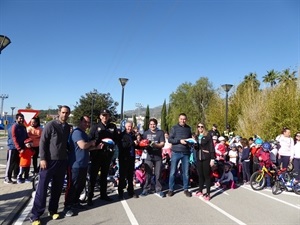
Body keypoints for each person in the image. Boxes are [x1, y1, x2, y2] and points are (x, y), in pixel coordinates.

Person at [30, 105, 71, 225]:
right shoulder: (50, 125)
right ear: (59, 112)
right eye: (63, 112)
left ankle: (53, 211)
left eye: (67, 113)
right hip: (48, 161)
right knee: (42, 189)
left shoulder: (67, 127)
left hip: (62, 161)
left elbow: (64, 144)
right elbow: (43, 142)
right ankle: (35, 215)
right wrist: (42, 158)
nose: (65, 115)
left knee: (57, 188)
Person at [64, 116, 97, 217]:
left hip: (83, 164)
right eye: (85, 122)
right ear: (80, 122)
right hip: (75, 165)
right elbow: (83, 145)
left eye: (88, 123)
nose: (87, 124)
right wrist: (91, 142)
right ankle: (67, 206)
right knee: (72, 186)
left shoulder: (84, 133)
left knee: (80, 185)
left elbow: (85, 149)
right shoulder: (77, 132)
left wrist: (96, 147)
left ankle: (75, 202)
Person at [87, 109, 119, 205]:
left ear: (109, 116)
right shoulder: (95, 127)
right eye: (103, 115)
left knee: (104, 176)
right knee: (93, 177)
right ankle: (90, 197)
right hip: (96, 155)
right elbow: (90, 140)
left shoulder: (112, 127)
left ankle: (103, 194)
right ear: (100, 116)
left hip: (107, 156)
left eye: (107, 115)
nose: (105, 117)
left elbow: (116, 139)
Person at [168, 113, 193, 197]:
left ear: (186, 119)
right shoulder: (174, 128)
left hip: (186, 153)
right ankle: (171, 189)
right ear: (179, 119)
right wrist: (179, 141)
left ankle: (185, 189)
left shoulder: (188, 128)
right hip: (176, 152)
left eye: (184, 119)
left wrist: (190, 142)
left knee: (186, 173)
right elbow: (170, 140)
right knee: (173, 172)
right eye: (181, 119)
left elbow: (190, 139)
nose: (183, 120)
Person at [140, 118, 166, 197]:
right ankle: (146, 189)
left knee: (158, 174)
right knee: (148, 174)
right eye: (151, 124)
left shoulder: (160, 132)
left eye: (154, 124)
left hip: (158, 156)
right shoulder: (146, 133)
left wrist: (155, 145)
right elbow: (142, 143)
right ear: (149, 125)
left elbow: (162, 144)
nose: (152, 125)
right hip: (149, 156)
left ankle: (159, 189)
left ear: (156, 124)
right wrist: (144, 145)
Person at [193, 122, 215, 201]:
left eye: (202, 126)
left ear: (204, 127)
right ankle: (200, 190)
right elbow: (196, 147)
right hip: (198, 158)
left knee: (207, 176)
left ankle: (208, 193)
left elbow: (211, 147)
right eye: (198, 126)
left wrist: (212, 158)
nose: (200, 128)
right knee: (200, 175)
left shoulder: (208, 136)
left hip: (206, 158)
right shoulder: (196, 136)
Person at [117, 121, 139, 199]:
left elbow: (135, 145)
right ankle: (120, 192)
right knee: (122, 175)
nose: (130, 128)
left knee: (130, 175)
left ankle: (131, 191)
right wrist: (133, 143)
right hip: (124, 158)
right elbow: (123, 145)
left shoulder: (133, 135)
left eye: (131, 126)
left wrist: (139, 144)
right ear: (125, 127)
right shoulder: (122, 135)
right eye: (128, 126)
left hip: (131, 157)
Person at [5, 113, 28, 184]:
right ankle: (7, 178)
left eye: (22, 118)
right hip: (13, 148)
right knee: (11, 163)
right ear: (16, 119)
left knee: (17, 163)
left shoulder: (23, 127)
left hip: (21, 148)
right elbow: (14, 138)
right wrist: (18, 148)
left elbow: (25, 137)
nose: (21, 120)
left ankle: (15, 176)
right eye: (20, 118)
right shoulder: (14, 126)